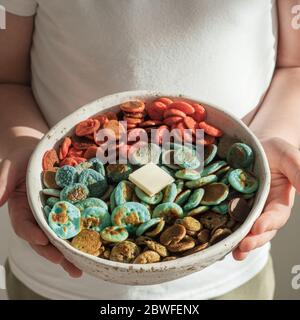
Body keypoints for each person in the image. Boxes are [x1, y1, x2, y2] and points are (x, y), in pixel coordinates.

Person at [0, 0, 299, 300]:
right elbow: (7, 79)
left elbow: (294, 65)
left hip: (228, 275)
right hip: (54, 282)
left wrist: (268, 142)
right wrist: (24, 147)